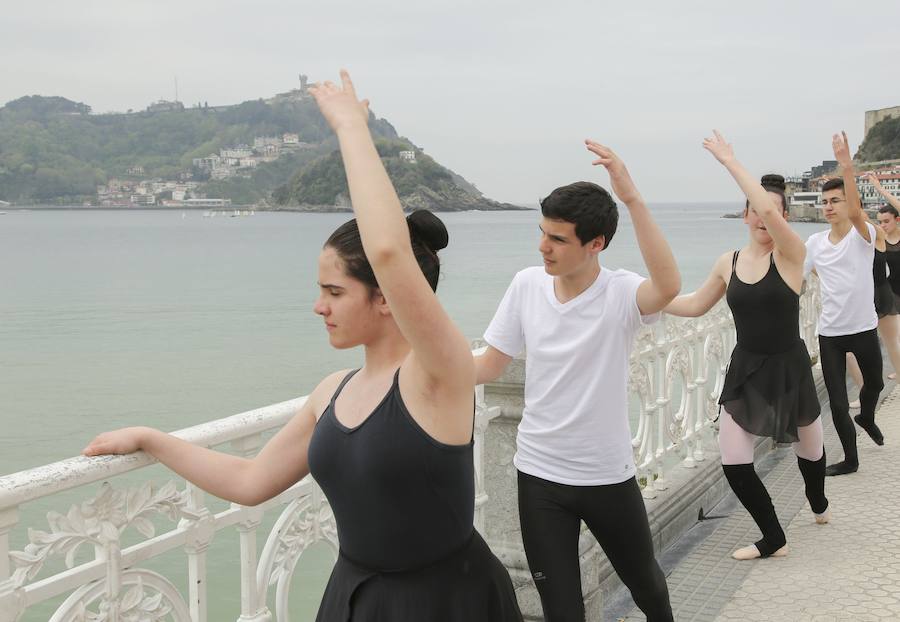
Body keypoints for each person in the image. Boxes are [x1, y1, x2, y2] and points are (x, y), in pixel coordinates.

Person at [84, 70, 523, 622]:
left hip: (443, 602)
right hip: (355, 597)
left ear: (388, 297)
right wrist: (153, 437)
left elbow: (387, 250)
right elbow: (249, 483)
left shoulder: (440, 375)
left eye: (334, 292)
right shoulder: (331, 393)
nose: (319, 307)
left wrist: (350, 128)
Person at [474, 139, 679, 621]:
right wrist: (419, 367)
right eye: (542, 232)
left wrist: (632, 198)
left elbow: (668, 287)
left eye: (558, 239)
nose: (543, 246)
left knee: (647, 585)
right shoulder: (526, 285)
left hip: (606, 475)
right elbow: (487, 365)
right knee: (561, 610)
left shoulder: (621, 293)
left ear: (595, 244)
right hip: (540, 474)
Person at [665, 131, 827, 561]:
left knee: (810, 452)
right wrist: (650, 300)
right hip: (747, 370)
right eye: (755, 209)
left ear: (784, 216)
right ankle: (773, 535)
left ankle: (818, 499)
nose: (763, 216)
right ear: (744, 215)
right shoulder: (728, 262)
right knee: (735, 462)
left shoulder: (791, 254)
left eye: (772, 210)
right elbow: (697, 305)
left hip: (789, 368)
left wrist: (731, 163)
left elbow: (775, 221)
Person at [803, 132, 885, 477]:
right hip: (831, 333)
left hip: (864, 327)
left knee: (876, 385)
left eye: (835, 200)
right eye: (826, 202)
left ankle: (867, 416)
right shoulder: (814, 242)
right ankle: (850, 460)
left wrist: (847, 165)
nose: (829, 206)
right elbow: (795, 277)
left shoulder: (862, 234)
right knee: (836, 403)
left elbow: (855, 213)